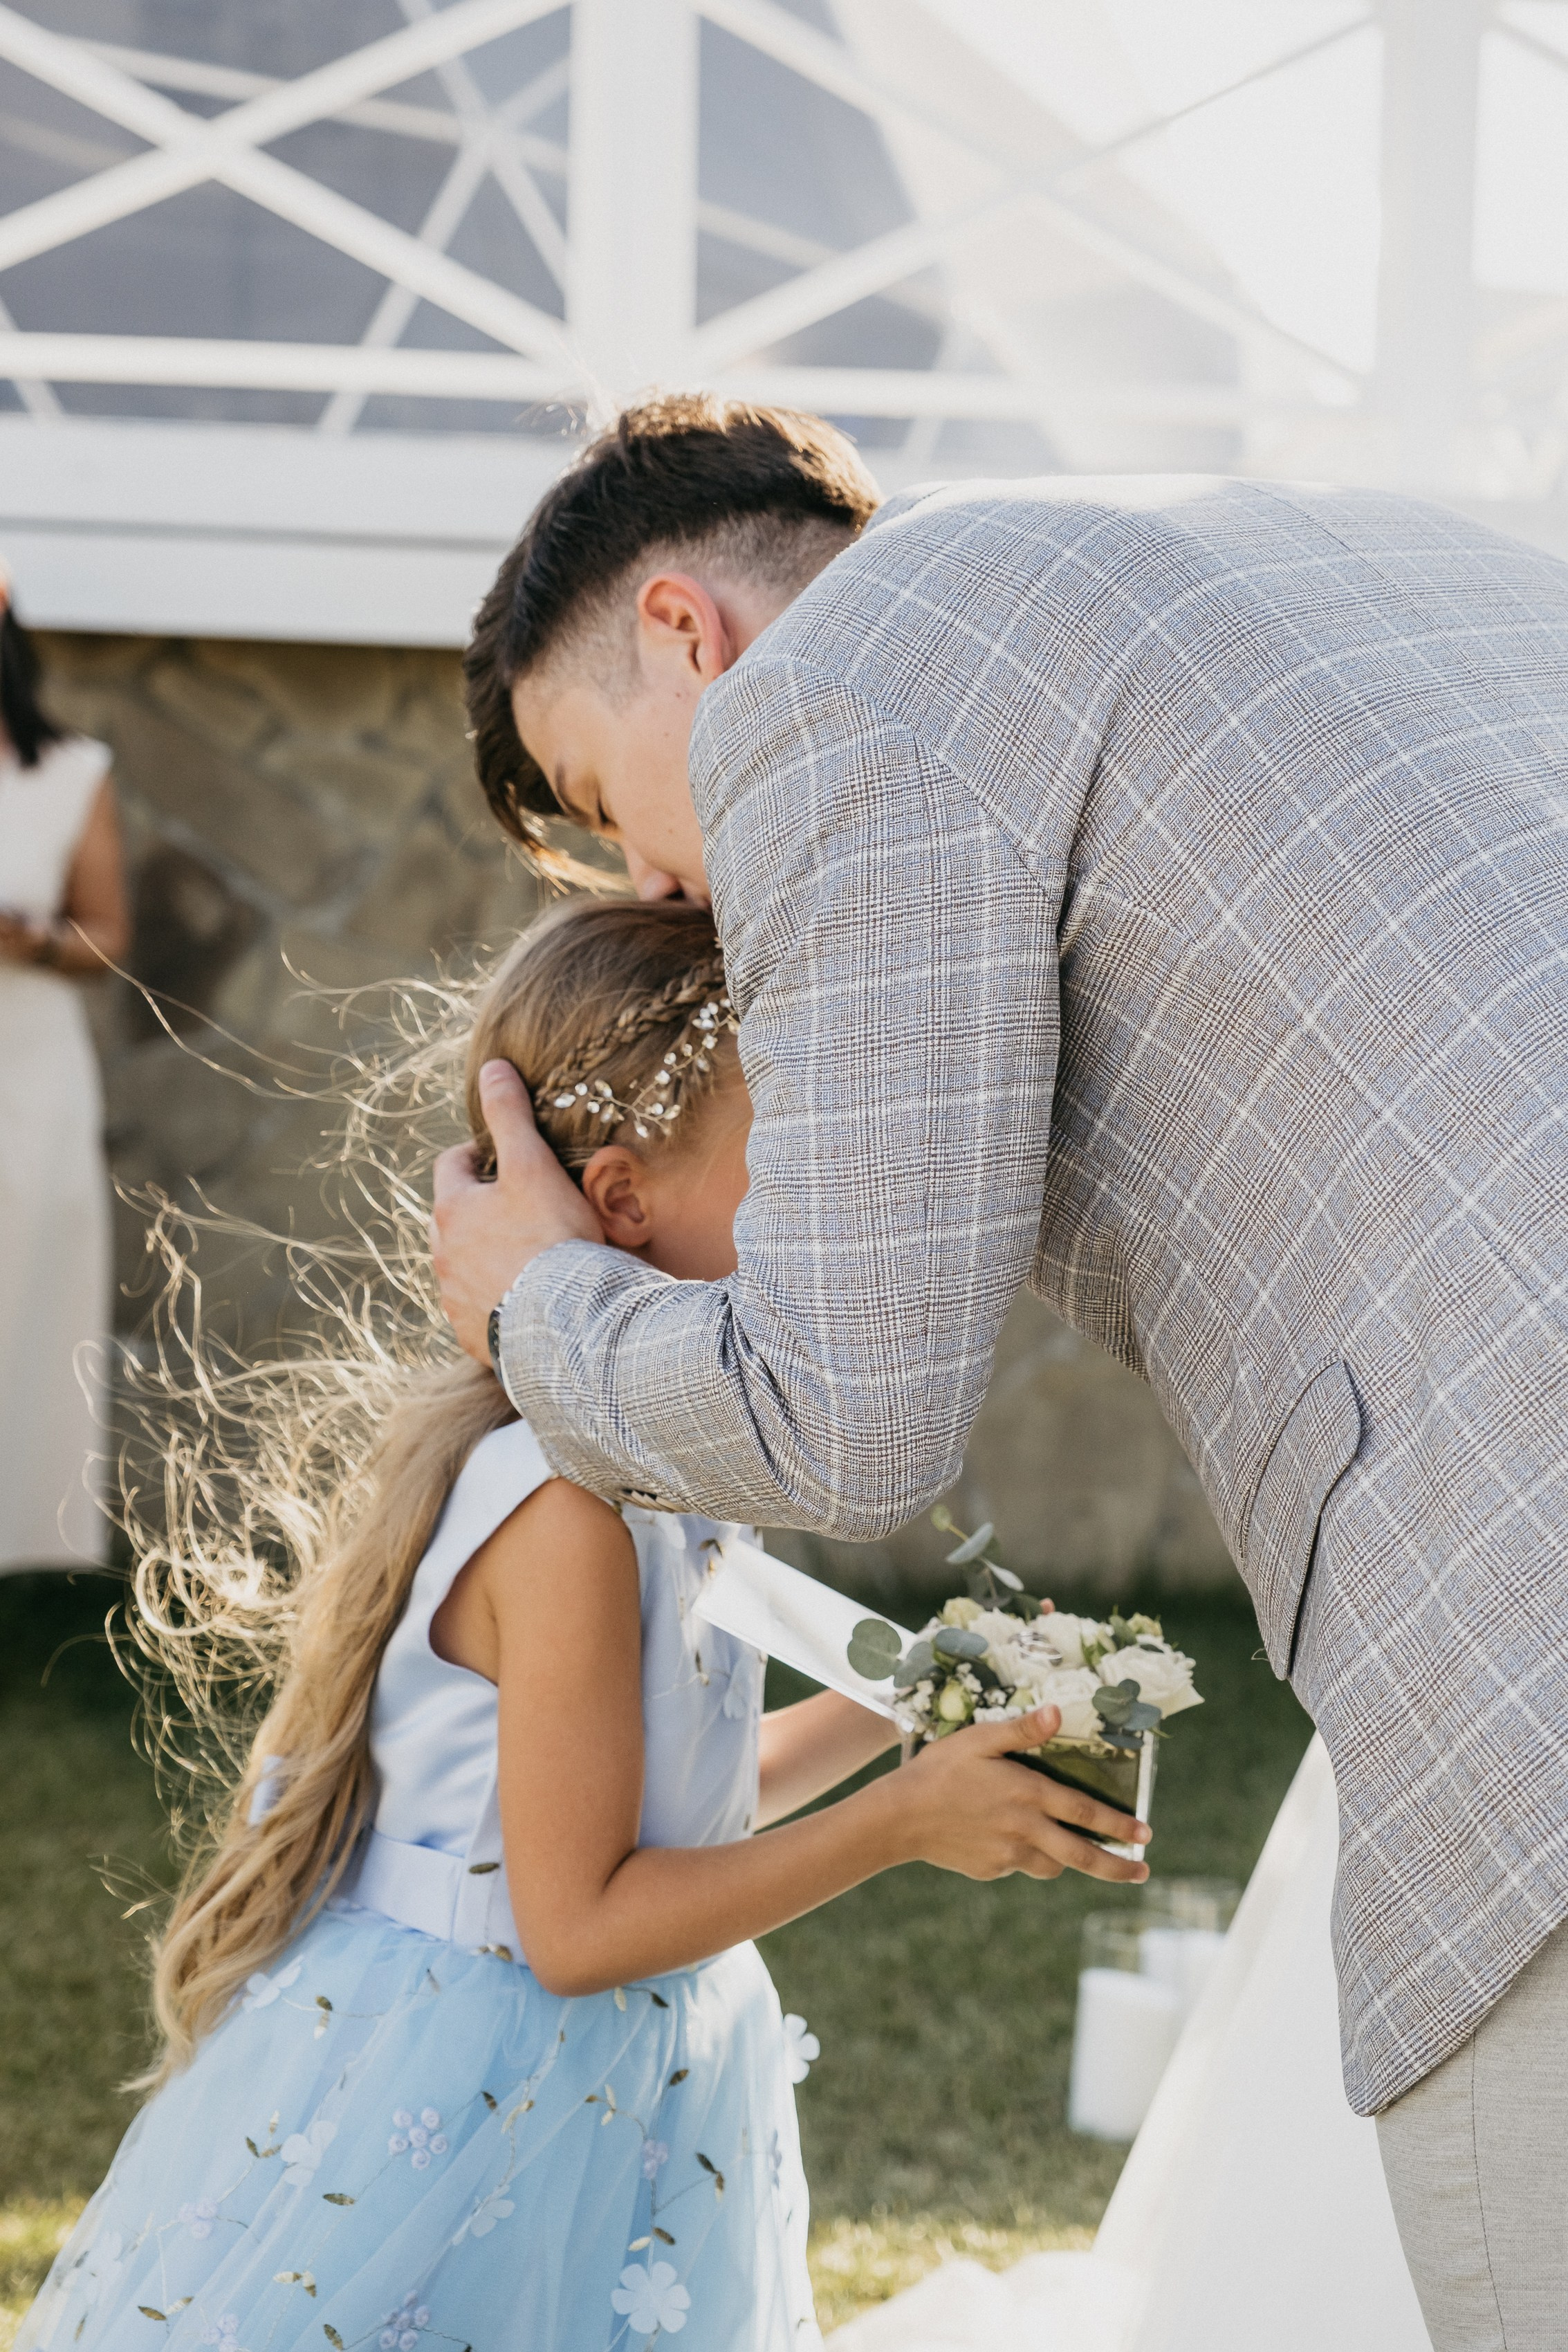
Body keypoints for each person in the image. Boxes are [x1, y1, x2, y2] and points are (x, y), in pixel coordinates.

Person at [434, 395, 1568, 2349]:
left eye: (596, 787)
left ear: (688, 638)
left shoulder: (836, 696)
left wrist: (537, 1303)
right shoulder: (1386, 548)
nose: (646, 880)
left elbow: (845, 1413)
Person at [22, 897, 1149, 2352]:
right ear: (623, 1201)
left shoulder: (654, 1460)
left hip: (617, 2088)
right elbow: (577, 1924)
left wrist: (919, 1699)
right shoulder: (566, 1509)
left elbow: (667, 1804)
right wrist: (901, 1823)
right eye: (778, 1165)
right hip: (483, 2096)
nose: (813, 1209)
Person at [0, 578, 128, 1570]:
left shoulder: (71, 773)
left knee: (21, 1303)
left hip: (28, 1072)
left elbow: (108, 937)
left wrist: (33, 942)